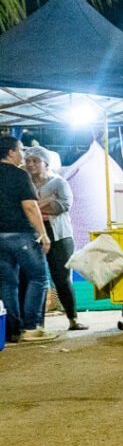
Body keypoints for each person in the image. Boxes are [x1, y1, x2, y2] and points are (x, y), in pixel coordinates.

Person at [0, 134, 56, 344]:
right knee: (39, 277)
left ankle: (12, 330)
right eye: (21, 150)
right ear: (11, 152)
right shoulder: (19, 175)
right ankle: (31, 327)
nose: (22, 154)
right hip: (21, 234)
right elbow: (30, 207)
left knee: (7, 283)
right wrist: (43, 235)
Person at [23, 146, 84, 331]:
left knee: (62, 278)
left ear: (46, 163)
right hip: (35, 236)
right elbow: (22, 208)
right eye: (28, 161)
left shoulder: (58, 183)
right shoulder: (25, 184)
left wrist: (34, 207)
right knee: (37, 280)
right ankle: (37, 324)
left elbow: (63, 206)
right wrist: (48, 200)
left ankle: (73, 319)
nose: (31, 164)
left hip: (60, 235)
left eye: (35, 161)